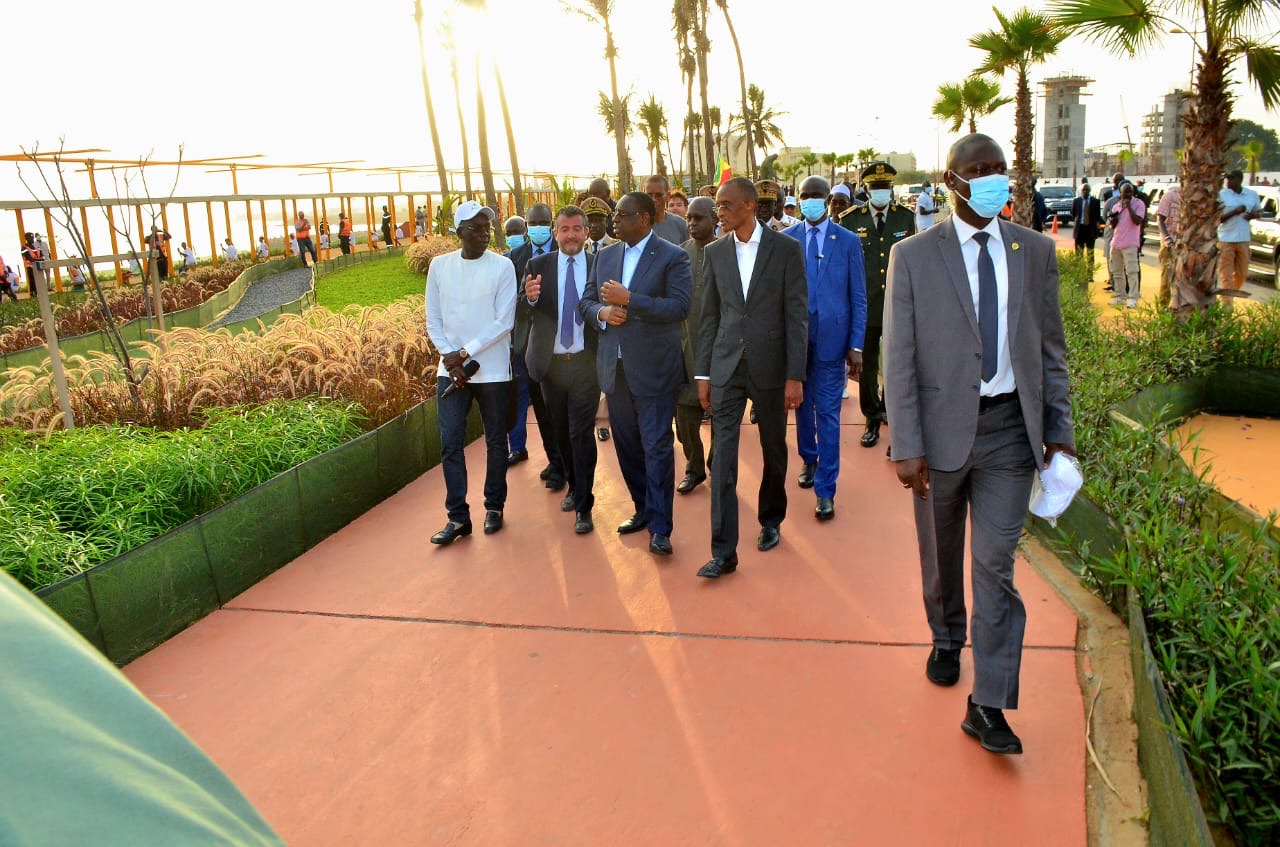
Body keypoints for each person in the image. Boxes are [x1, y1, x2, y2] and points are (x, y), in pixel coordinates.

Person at [884, 132, 1074, 756]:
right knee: (941, 554)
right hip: (938, 437)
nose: (993, 180)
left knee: (995, 567)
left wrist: (1058, 435)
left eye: (1000, 170)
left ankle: (988, 703)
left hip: (1008, 437)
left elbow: (1051, 353)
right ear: (952, 182)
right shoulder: (913, 256)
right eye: (980, 171)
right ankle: (946, 634)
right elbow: (900, 357)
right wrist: (905, 443)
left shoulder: (1035, 251)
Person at [695, 177, 808, 578]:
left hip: (772, 367)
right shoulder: (715, 253)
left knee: (773, 448)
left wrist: (795, 375)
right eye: (717, 206)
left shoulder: (786, 250)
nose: (718, 213)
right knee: (722, 457)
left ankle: (771, 519)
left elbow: (797, 315)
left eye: (724, 206)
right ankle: (724, 552)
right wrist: (703, 374)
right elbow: (708, 317)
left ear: (747, 206)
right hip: (726, 367)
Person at [581, 191, 692, 557]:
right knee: (627, 444)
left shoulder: (672, 256)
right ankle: (643, 509)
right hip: (615, 368)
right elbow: (585, 301)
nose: (614, 220)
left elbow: (679, 306)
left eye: (622, 214)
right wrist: (602, 312)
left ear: (643, 218)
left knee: (657, 445)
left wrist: (631, 300)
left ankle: (661, 528)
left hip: (655, 369)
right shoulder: (605, 255)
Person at [425, 200, 516, 545]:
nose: (483, 234)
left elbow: (503, 322)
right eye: (475, 228)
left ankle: (494, 506)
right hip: (450, 370)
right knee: (450, 443)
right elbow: (433, 318)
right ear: (459, 232)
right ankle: (458, 518)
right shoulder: (439, 266)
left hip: (492, 369)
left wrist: (464, 352)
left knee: (495, 440)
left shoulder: (503, 266)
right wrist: (450, 358)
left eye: (487, 228)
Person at [782, 173, 869, 519]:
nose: (811, 200)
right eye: (806, 195)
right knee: (801, 407)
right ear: (798, 198)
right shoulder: (787, 240)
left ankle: (826, 489)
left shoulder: (847, 241)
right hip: (797, 342)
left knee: (828, 414)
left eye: (817, 195)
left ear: (828, 199)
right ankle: (809, 458)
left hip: (834, 342)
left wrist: (857, 344)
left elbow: (858, 297)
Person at [520, 205, 599, 534]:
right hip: (551, 365)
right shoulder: (537, 265)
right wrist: (531, 298)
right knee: (561, 431)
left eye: (577, 229)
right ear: (555, 234)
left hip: (586, 362)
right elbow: (524, 310)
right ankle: (571, 481)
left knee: (581, 433)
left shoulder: (599, 264)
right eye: (564, 229)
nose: (571, 235)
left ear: (586, 233)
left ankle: (584, 503)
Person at [840, 162, 913, 452]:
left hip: (897, 305)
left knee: (896, 366)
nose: (880, 192)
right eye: (875, 187)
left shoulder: (904, 218)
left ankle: (894, 419)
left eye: (885, 187)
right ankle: (871, 419)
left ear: (891, 188)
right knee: (867, 366)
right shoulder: (849, 219)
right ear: (866, 189)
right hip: (865, 306)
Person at [505, 203, 566, 492]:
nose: (538, 227)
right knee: (541, 409)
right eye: (533, 222)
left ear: (551, 224)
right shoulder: (514, 258)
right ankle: (555, 461)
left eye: (543, 222)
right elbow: (510, 304)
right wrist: (527, 300)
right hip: (529, 346)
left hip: (564, 345)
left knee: (563, 410)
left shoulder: (566, 251)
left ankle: (568, 461)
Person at [675, 196, 717, 495]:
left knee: (723, 416)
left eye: (698, 217)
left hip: (721, 348)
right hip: (685, 347)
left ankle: (718, 464)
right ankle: (694, 466)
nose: (691, 223)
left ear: (715, 218)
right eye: (689, 217)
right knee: (684, 420)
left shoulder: (730, 252)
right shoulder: (678, 255)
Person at [582, 196, 619, 442]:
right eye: (590, 221)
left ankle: (604, 421)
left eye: (599, 220)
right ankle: (595, 419)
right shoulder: (575, 247)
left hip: (610, 322)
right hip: (585, 324)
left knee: (607, 375)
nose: (595, 225)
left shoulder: (617, 247)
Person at [1217, 169, 1261, 308]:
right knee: (1226, 275)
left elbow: (1259, 211)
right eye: (1227, 179)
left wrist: (1253, 215)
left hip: (1243, 238)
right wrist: (1235, 212)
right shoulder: (1222, 195)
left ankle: (1229, 294)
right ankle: (1227, 306)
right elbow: (1218, 219)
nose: (1228, 182)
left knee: (1242, 274)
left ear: (1239, 180)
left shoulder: (1251, 194)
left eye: (1231, 179)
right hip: (1226, 239)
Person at [1107, 182, 1146, 308]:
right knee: (1117, 272)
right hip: (1116, 243)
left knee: (1132, 272)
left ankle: (1133, 298)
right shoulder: (1117, 206)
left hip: (1130, 243)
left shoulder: (1139, 204)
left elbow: (1137, 221)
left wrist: (1129, 207)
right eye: (1125, 192)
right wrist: (1113, 219)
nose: (1128, 195)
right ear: (1120, 193)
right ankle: (1120, 297)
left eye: (1130, 192)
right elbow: (1112, 226)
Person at [1155, 183, 1182, 310]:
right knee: (1167, 280)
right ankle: (1162, 310)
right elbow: (1160, 219)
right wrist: (1167, 238)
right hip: (1169, 247)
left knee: (1182, 282)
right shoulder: (1170, 196)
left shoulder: (1193, 198)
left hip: (1185, 247)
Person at [644, 175, 690, 244]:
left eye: (658, 195)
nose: (653, 199)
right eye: (649, 195)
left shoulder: (680, 224)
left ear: (668, 196)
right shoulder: (637, 225)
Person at [1071, 183, 1102, 273]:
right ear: (1081, 191)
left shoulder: (1095, 202)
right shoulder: (1076, 201)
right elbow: (1073, 214)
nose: (1085, 192)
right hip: (1079, 229)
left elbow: (1097, 216)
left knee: (1090, 254)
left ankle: (1089, 274)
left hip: (1090, 230)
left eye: (1087, 190)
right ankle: (1079, 272)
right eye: (1083, 190)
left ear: (1089, 191)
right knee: (1079, 253)